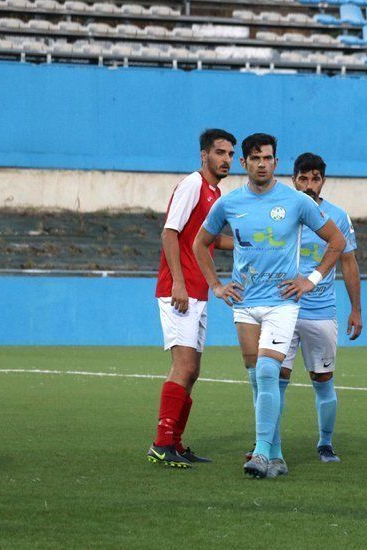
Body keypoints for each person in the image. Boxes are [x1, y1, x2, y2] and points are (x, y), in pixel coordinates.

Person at [193, 133, 346, 479]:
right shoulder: (228, 204)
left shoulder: (296, 202)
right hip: (245, 302)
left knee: (267, 372)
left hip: (282, 302)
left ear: (276, 163)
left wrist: (312, 279)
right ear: (244, 163)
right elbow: (200, 243)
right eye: (255, 158)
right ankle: (275, 454)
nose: (262, 164)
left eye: (268, 158)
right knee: (255, 378)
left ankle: (261, 453)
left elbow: (336, 241)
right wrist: (216, 285)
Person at [147, 128, 236, 469]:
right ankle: (161, 443)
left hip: (198, 291)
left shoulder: (214, 193)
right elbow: (170, 232)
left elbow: (212, 242)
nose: (225, 159)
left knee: (193, 369)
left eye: (229, 154)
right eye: (219, 153)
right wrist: (179, 285)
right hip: (180, 291)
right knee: (182, 366)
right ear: (204, 155)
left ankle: (174, 442)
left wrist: (252, 241)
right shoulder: (193, 185)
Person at [283, 152, 362, 463]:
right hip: (283, 310)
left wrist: (356, 309)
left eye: (315, 178)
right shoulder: (280, 213)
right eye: (303, 178)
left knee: (323, 380)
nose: (309, 184)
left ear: (323, 181)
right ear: (293, 180)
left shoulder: (337, 216)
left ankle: (325, 444)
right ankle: (268, 444)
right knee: (275, 378)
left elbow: (349, 262)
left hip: (320, 312)